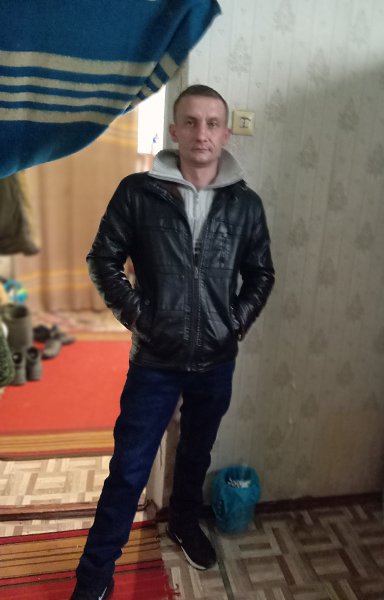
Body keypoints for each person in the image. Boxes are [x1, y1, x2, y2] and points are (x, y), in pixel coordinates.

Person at [70, 84, 275, 600]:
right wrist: (140, 318)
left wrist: (235, 323)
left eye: (212, 123)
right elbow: (102, 260)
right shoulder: (138, 193)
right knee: (129, 468)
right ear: (175, 130)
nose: (202, 133)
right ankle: (94, 575)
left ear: (225, 134)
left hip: (217, 360)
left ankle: (184, 521)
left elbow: (261, 274)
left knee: (196, 453)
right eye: (191, 122)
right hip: (155, 361)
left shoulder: (246, 204)